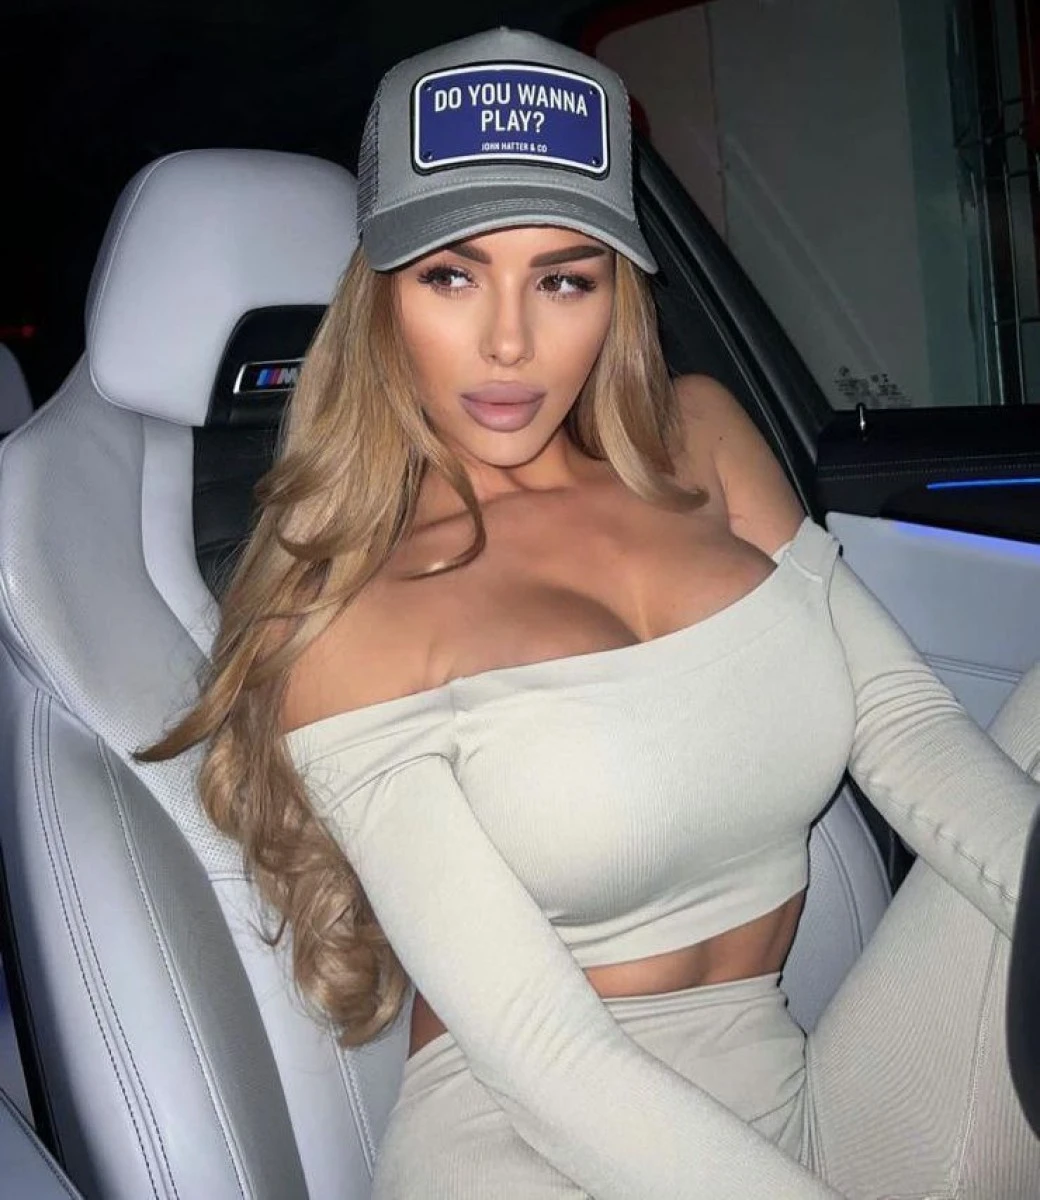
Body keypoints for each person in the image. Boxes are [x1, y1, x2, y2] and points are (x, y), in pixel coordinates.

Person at [143, 27, 1040, 1199]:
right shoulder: (345, 612)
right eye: (451, 276)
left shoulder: (700, 441)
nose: (508, 342)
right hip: (540, 1152)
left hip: (795, 1092)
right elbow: (545, 1059)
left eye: (562, 278)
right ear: (379, 295)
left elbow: (906, 728)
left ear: (615, 291)